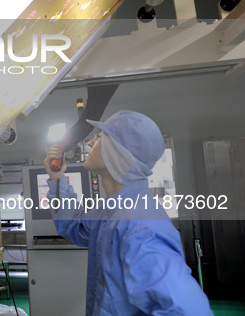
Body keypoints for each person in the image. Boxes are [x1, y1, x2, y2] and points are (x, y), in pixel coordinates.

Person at [44, 110, 213, 315]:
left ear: (117, 153)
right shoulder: (112, 210)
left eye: (98, 138)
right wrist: (57, 178)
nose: (89, 143)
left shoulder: (141, 227)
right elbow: (74, 227)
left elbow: (188, 310)